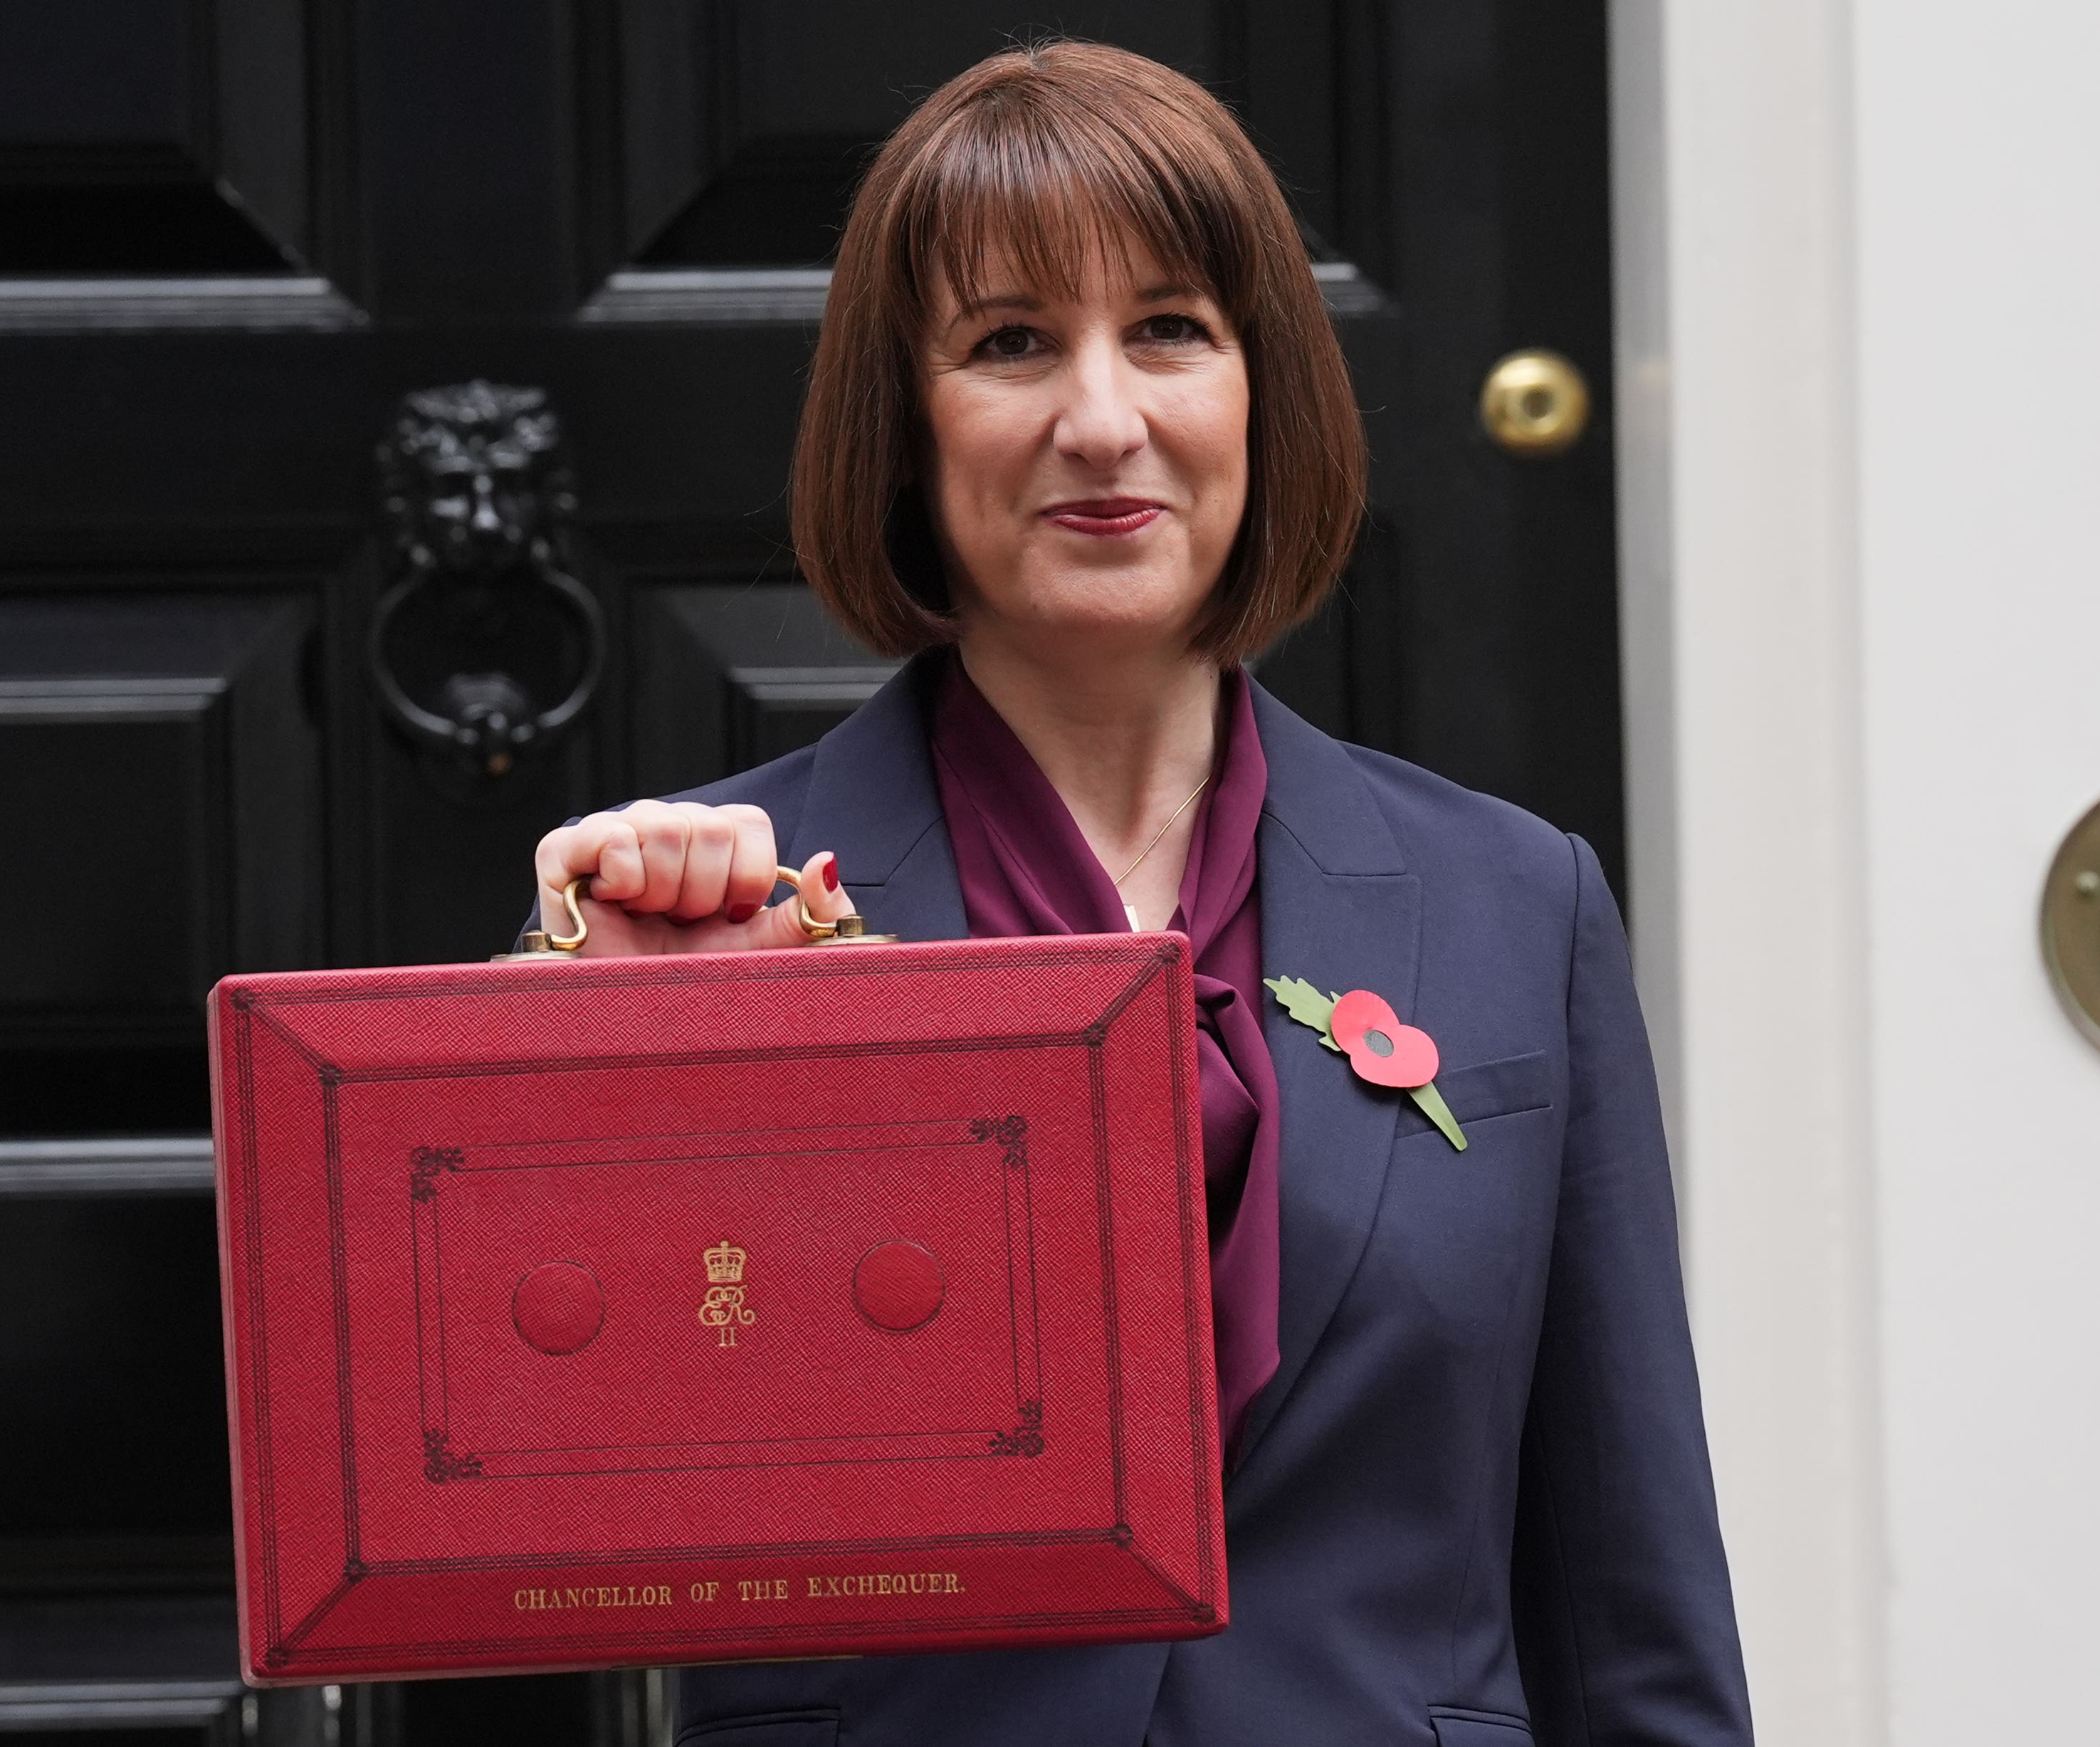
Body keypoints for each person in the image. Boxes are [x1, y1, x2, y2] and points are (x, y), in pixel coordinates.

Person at [529, 41, 1750, 1747]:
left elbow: (1632, 1600)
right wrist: (602, 1041)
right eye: (1009, 341)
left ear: (1262, 390)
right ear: (904, 423)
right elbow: (532, 1522)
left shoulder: (1514, 903)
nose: (1100, 419)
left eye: (1169, 328)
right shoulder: (713, 913)